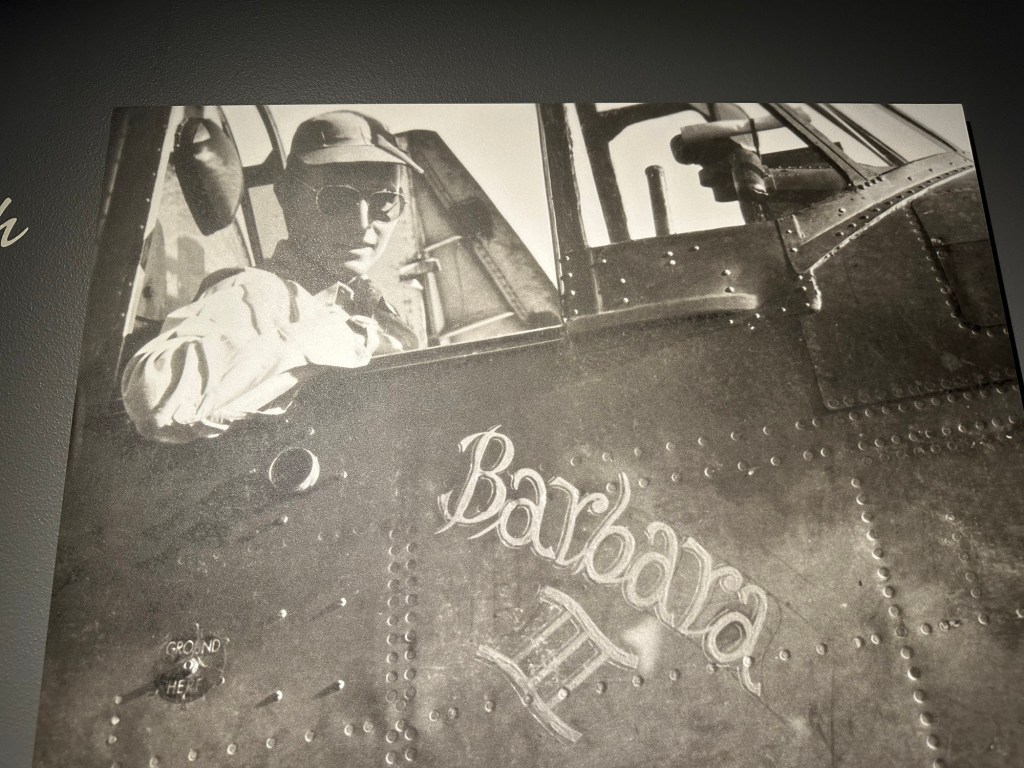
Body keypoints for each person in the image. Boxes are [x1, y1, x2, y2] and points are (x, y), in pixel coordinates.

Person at [121, 110, 423, 444]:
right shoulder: (257, 292)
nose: (363, 223)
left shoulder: (379, 312)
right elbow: (155, 397)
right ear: (288, 196)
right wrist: (341, 337)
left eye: (385, 202)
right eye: (338, 199)